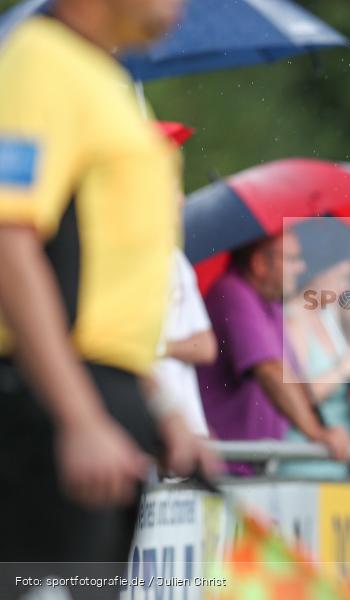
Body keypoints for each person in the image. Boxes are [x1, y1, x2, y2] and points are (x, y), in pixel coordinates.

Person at [0, 0, 216, 596]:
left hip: (103, 397)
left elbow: (102, 291)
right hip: (48, 402)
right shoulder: (39, 62)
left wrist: (159, 408)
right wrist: (79, 416)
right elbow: (10, 244)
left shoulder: (108, 78)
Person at [197, 231, 350, 475]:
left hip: (250, 465)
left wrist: (326, 428)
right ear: (259, 263)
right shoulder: (233, 291)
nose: (300, 267)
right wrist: (318, 433)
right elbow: (269, 370)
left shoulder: (271, 304)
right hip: (224, 467)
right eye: (291, 259)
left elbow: (294, 380)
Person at [152, 121, 216, 437]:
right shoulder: (101, 256)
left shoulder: (175, 260)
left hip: (185, 432)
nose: (181, 200)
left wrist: (147, 346)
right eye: (169, 184)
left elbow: (204, 346)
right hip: (143, 436)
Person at [280, 258, 350, 479]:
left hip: (339, 457)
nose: (346, 288)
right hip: (306, 461)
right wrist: (345, 368)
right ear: (317, 272)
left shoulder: (327, 316)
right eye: (341, 278)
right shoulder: (293, 319)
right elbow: (300, 393)